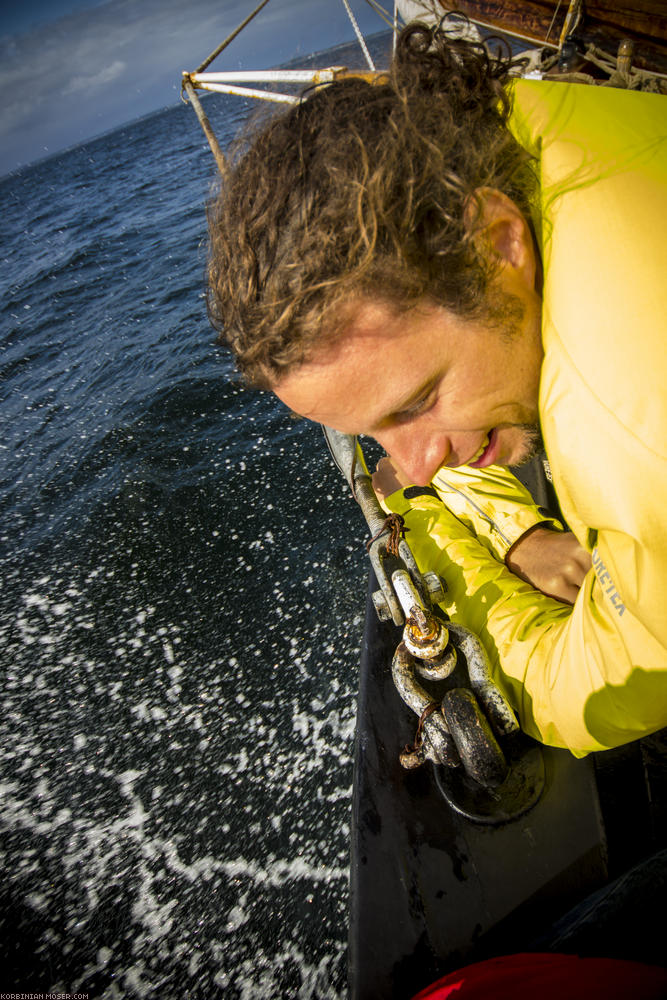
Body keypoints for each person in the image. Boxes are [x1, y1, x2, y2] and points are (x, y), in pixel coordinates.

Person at [206, 23, 667, 756]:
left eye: (415, 404)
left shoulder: (639, 441)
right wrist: (515, 531)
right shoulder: (516, 125)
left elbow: (594, 689)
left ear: (496, 242)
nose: (413, 466)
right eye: (376, 431)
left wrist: (445, 544)